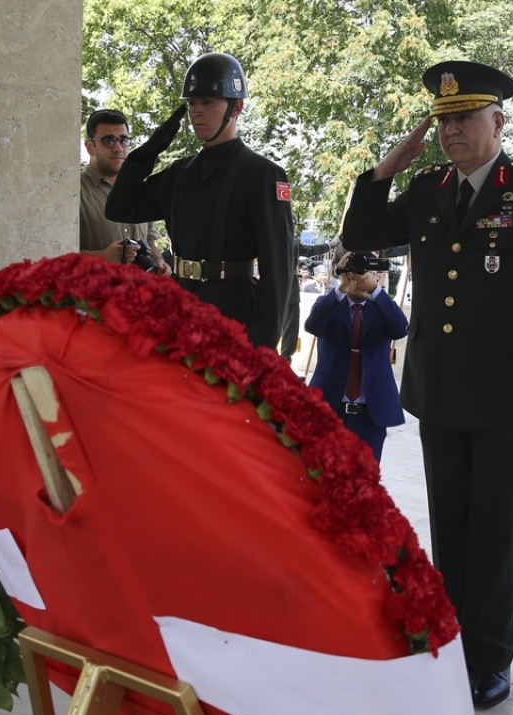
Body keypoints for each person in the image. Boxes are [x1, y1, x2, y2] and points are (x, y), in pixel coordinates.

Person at [339, 60, 513, 709]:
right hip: (441, 387)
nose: (450, 131)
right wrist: (386, 169)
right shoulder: (427, 189)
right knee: (451, 524)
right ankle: (447, 639)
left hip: (507, 392)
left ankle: (490, 657)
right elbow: (359, 236)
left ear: (497, 122)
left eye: (463, 118)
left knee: (496, 531)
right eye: (442, 121)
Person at [106, 52, 294, 350]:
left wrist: (262, 349)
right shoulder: (180, 173)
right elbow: (119, 207)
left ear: (237, 107)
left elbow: (278, 272)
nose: (196, 111)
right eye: (192, 103)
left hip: (233, 314)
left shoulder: (262, 175)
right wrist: (148, 151)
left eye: (208, 102)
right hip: (181, 309)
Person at [303, 251, 408, 462]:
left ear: (377, 276)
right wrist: (341, 287)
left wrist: (375, 291)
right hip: (330, 409)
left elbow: (400, 329)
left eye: (365, 273)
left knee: (365, 481)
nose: (359, 278)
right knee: (324, 475)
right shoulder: (330, 304)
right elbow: (312, 325)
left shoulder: (383, 308)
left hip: (370, 413)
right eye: (353, 273)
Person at [79, 109, 168, 272]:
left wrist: (160, 262)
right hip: (92, 295)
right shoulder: (73, 193)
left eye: (123, 140)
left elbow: (151, 243)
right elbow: (54, 253)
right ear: (90, 146)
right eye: (109, 141)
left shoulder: (140, 190)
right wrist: (102, 257)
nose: (118, 148)